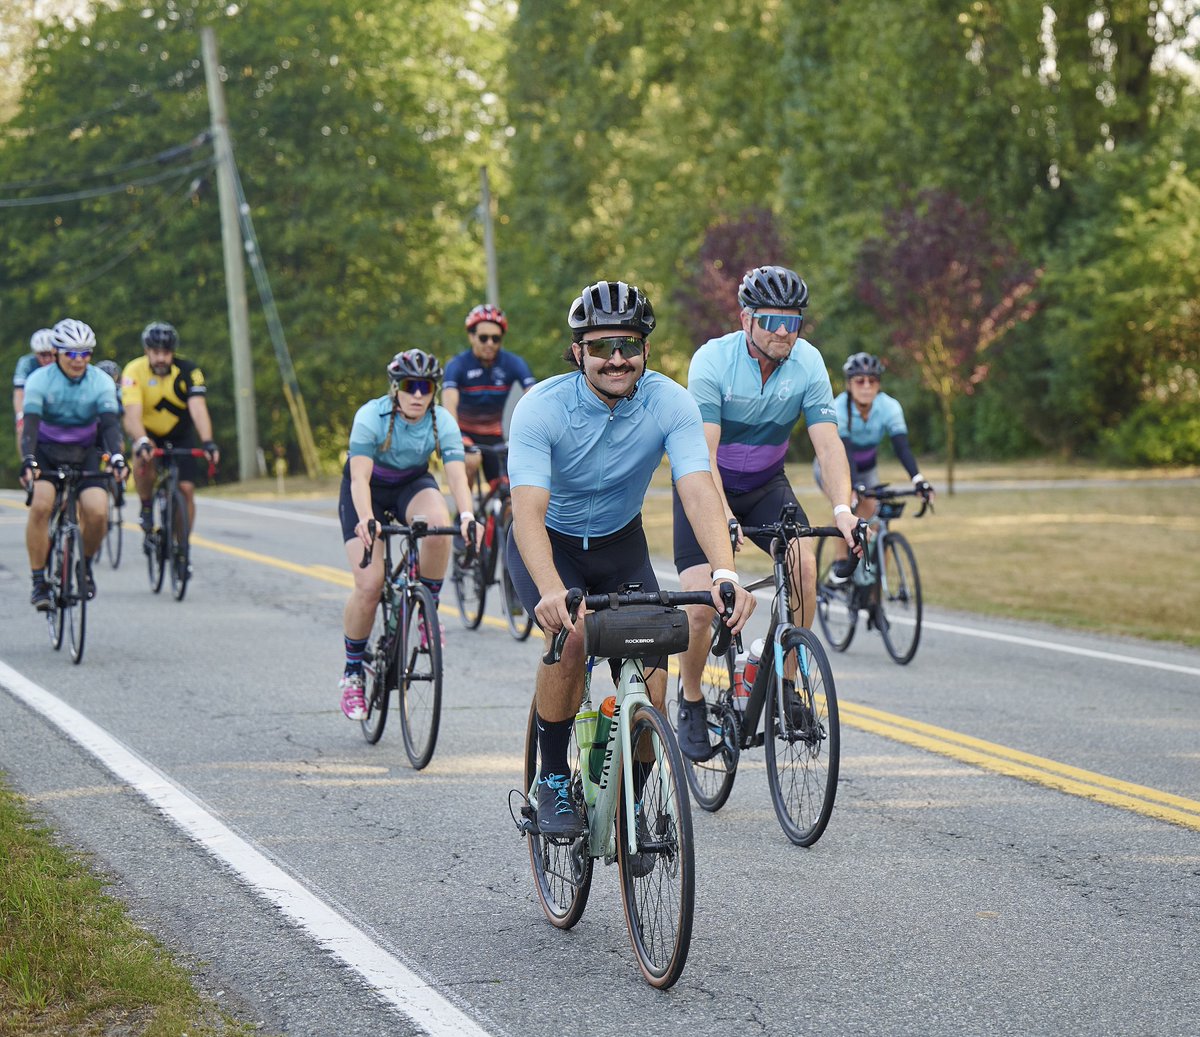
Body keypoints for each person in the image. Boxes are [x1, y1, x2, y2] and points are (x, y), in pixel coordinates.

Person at [506, 279, 756, 836]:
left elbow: (697, 489)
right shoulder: (540, 409)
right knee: (572, 637)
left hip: (622, 545)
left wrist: (724, 573)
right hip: (551, 544)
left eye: (628, 345)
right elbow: (527, 512)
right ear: (578, 352)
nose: (616, 359)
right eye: (600, 347)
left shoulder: (671, 403)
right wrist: (550, 589)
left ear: (646, 348)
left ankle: (633, 803)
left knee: (653, 674)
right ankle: (550, 778)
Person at [672, 265, 860, 762]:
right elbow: (703, 457)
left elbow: (828, 445)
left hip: (765, 487)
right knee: (698, 609)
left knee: (802, 565)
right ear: (746, 319)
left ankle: (786, 685)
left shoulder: (809, 363)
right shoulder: (712, 361)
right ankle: (690, 699)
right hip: (704, 487)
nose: (783, 331)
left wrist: (842, 508)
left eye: (793, 321)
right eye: (772, 319)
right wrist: (723, 516)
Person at [337, 349, 478, 721]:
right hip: (367, 490)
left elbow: (457, 475)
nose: (418, 394)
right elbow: (358, 478)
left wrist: (467, 515)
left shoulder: (441, 420)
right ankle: (352, 673)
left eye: (426, 387)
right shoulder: (371, 417)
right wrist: (366, 518)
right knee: (369, 584)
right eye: (410, 386)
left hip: (410, 485)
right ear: (395, 388)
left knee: (438, 524)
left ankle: (425, 608)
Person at [19, 319, 126, 609]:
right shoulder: (40, 380)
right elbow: (29, 426)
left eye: (85, 354)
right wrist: (28, 459)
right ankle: (39, 580)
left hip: (85, 449)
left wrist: (116, 456)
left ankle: (84, 566)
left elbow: (110, 426)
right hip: (46, 450)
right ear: (57, 353)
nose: (79, 360)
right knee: (42, 505)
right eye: (71, 354)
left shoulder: (100, 382)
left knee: (97, 512)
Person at [814, 352, 934, 580]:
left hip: (867, 469)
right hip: (834, 466)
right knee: (846, 505)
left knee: (875, 523)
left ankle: (873, 599)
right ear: (849, 384)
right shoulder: (838, 408)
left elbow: (902, 447)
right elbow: (845, 453)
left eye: (873, 381)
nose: (867, 386)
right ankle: (840, 567)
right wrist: (853, 487)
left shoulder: (889, 407)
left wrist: (918, 479)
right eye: (860, 381)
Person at [121, 322, 219, 542]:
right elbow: (132, 413)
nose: (161, 359)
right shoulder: (133, 370)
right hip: (147, 431)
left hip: (179, 433)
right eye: (156, 352)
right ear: (147, 351)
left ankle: (181, 545)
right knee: (143, 459)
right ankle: (146, 506)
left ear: (173, 352)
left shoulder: (189, 370)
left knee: (186, 489)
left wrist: (208, 442)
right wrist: (142, 440)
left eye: (166, 353)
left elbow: (198, 408)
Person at [442, 304, 536, 488]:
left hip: (494, 435)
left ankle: (500, 513)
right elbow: (449, 405)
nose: (490, 344)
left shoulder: (513, 363)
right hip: (464, 433)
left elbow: (534, 396)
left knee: (510, 488)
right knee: (471, 460)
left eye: (496, 338)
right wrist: (456, 438)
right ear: (471, 336)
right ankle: (466, 513)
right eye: (483, 338)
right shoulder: (457, 365)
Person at [13, 328, 57, 445]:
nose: (47, 359)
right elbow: (19, 392)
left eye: (50, 355)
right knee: (22, 428)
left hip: (57, 404)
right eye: (43, 355)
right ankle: (25, 461)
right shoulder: (26, 363)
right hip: (33, 403)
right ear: (35, 353)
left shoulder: (62, 364)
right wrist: (20, 416)